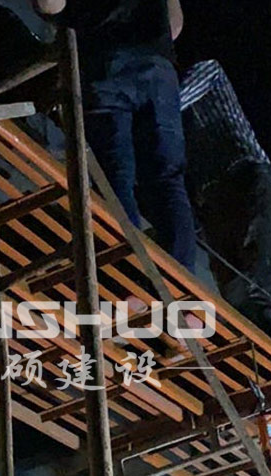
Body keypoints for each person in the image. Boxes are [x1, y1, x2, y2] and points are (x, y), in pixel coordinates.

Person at [32, 0, 198, 272]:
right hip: (158, 67)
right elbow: (175, 25)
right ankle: (179, 283)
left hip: (105, 63)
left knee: (113, 177)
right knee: (168, 180)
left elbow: (49, 5)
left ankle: (127, 274)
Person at [179, 59, 271, 341]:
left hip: (246, 176)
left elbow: (211, 72)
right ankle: (242, 344)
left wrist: (162, 107)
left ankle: (269, 344)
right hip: (213, 198)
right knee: (229, 279)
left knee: (257, 268)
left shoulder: (204, 71)